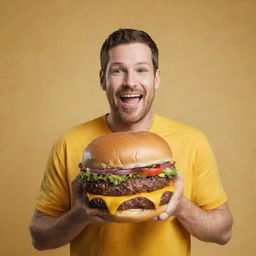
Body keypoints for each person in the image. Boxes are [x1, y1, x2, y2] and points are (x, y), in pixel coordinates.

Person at [29, 29, 233, 256]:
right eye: (117, 71)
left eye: (141, 70)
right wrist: (80, 214)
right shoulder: (70, 142)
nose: (130, 82)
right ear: (102, 80)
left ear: (156, 79)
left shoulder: (193, 141)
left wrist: (181, 206)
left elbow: (223, 233)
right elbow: (39, 237)